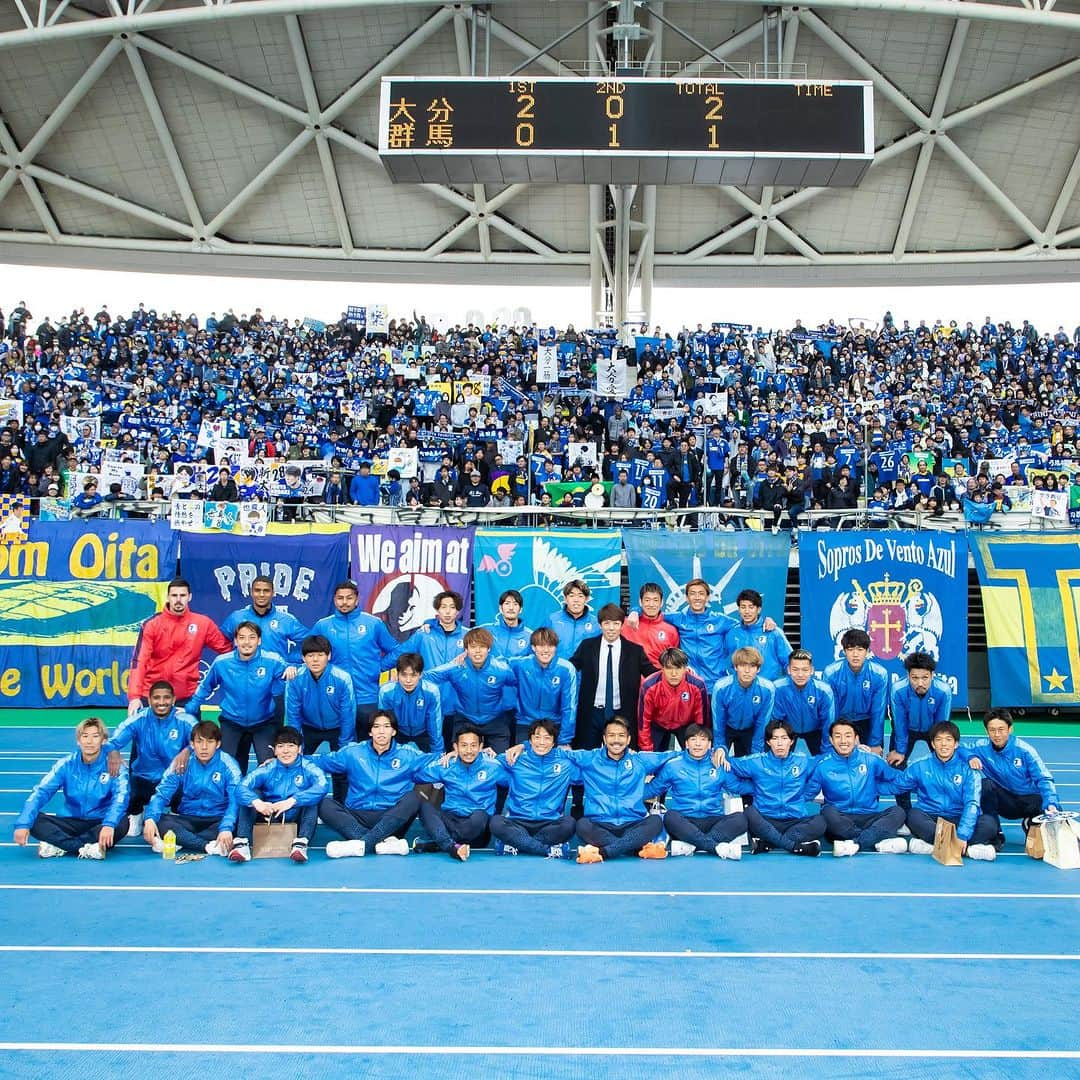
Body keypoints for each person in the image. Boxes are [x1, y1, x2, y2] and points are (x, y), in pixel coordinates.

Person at [313, 710, 427, 858]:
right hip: (357, 815)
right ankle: (382, 844)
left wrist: (453, 756)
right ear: (370, 732)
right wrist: (290, 758)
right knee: (324, 803)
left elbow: (436, 763)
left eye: (386, 726)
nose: (381, 731)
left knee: (414, 798)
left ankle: (362, 845)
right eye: (376, 726)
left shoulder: (408, 754)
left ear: (393, 731)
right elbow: (322, 761)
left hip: (391, 817)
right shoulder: (353, 752)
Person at [13, 717, 130, 860]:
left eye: (95, 736)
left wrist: (109, 824)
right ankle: (88, 848)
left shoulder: (115, 765)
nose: (89, 741)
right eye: (85, 736)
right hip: (70, 821)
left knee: (122, 822)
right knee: (34, 820)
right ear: (78, 740)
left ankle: (59, 845)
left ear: (103, 740)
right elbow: (41, 792)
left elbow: (121, 798)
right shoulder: (66, 764)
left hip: (100, 821)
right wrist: (23, 824)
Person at [187, 621, 294, 774]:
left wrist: (290, 669)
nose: (247, 642)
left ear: (259, 640)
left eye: (251, 637)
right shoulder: (222, 662)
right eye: (242, 638)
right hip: (232, 723)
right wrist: (189, 709)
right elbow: (205, 687)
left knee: (270, 769)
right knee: (229, 770)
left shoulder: (273, 660)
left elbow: (290, 673)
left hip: (264, 723)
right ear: (235, 641)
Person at [573, 716, 678, 863]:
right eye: (611, 735)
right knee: (582, 825)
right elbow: (558, 754)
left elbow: (673, 755)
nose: (616, 740)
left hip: (633, 823)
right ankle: (635, 848)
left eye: (621, 736)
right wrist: (527, 747)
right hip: (600, 823)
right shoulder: (590, 758)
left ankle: (604, 852)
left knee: (655, 821)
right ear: (604, 738)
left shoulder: (639, 760)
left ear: (628, 739)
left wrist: (715, 752)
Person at [890, 720, 1000, 860]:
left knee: (990, 824)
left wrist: (962, 835)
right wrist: (871, 781)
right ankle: (967, 850)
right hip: (932, 817)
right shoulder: (920, 765)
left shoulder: (969, 770)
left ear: (956, 744)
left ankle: (933, 847)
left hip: (959, 817)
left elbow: (972, 804)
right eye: (939, 740)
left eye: (948, 740)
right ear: (932, 744)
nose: (943, 744)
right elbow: (896, 785)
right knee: (913, 816)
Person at [310, 579, 402, 740]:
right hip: (335, 698)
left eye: (349, 597)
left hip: (368, 697)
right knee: (342, 750)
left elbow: (395, 650)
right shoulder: (322, 626)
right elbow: (308, 653)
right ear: (334, 599)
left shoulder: (373, 623)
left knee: (369, 749)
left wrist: (380, 667)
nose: (344, 602)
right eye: (340, 598)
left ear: (357, 599)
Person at [104, 679, 196, 835]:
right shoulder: (138, 719)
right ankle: (136, 814)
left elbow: (202, 742)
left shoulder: (185, 720)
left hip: (173, 780)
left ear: (173, 700)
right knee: (120, 774)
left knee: (191, 778)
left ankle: (175, 814)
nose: (161, 702)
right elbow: (112, 741)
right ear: (149, 700)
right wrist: (113, 751)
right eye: (156, 698)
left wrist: (187, 750)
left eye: (166, 698)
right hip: (143, 778)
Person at [127, 577, 231, 714]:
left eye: (182, 595)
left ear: (189, 597)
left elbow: (228, 651)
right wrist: (134, 697)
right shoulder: (152, 625)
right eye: (174, 595)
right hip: (153, 696)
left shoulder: (203, 624)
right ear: (168, 597)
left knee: (192, 736)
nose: (178, 600)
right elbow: (139, 661)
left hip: (186, 698)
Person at [724, 719, 827, 856]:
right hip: (765, 819)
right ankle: (794, 846)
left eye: (784, 738)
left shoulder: (803, 761)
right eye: (775, 738)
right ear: (768, 742)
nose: (779, 743)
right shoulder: (757, 761)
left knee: (821, 822)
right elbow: (726, 766)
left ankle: (768, 843)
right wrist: (747, 788)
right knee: (749, 813)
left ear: (791, 741)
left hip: (795, 820)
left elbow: (828, 760)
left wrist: (804, 796)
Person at [142, 720, 243, 857]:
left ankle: (184, 840)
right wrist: (149, 818)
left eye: (210, 742)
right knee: (158, 821)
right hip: (187, 818)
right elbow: (162, 793)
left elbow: (234, 800)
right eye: (199, 742)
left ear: (218, 744)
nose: (204, 747)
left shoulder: (229, 765)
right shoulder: (182, 763)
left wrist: (226, 828)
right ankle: (207, 846)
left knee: (238, 822)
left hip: (217, 819)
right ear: (192, 744)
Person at [228, 726, 328, 864]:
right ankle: (242, 844)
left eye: (291, 746)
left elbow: (322, 785)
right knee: (251, 795)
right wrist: (258, 803)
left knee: (312, 800)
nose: (285, 751)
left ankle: (301, 843)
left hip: (296, 817)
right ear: (274, 750)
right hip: (269, 814)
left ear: (299, 749)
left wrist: (293, 800)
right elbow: (241, 787)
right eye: (280, 746)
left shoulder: (308, 767)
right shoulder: (268, 768)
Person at [646, 723, 748, 859]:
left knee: (740, 819)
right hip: (684, 822)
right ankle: (715, 847)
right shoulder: (673, 765)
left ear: (710, 744)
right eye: (693, 739)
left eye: (703, 739)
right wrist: (627, 792)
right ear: (686, 744)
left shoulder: (719, 764)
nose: (698, 744)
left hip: (714, 820)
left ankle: (692, 845)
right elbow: (653, 789)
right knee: (670, 816)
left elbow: (738, 787)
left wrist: (765, 784)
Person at [811, 719, 907, 856]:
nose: (843, 740)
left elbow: (896, 778)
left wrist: (920, 778)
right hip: (840, 819)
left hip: (869, 816)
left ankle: (855, 844)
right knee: (827, 812)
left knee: (898, 812)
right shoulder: (822, 766)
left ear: (856, 739)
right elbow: (808, 791)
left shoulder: (872, 760)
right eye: (838, 736)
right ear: (831, 740)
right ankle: (875, 839)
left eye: (848, 736)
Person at [413, 724, 509, 861]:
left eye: (473, 745)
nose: (469, 750)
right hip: (450, 818)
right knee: (422, 805)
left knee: (480, 816)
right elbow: (417, 775)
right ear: (456, 747)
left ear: (481, 747)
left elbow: (515, 779)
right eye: (464, 745)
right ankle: (451, 846)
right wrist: (440, 757)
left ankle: (440, 842)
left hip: (477, 829)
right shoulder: (447, 765)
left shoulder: (493, 765)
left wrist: (521, 747)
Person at [571, 604, 656, 751]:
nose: (611, 628)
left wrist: (676, 670)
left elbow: (653, 674)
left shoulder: (634, 651)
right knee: (586, 755)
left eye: (616, 624)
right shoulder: (587, 646)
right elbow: (570, 668)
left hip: (623, 712)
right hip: (592, 713)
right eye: (607, 623)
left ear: (622, 625)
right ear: (600, 625)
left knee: (622, 756)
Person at [491, 719, 578, 857]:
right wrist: (453, 755)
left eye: (547, 738)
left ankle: (517, 844)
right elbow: (485, 762)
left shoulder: (566, 764)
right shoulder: (514, 759)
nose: (541, 742)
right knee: (496, 822)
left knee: (570, 824)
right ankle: (547, 849)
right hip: (518, 820)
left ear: (554, 742)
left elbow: (593, 765)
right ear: (530, 740)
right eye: (537, 737)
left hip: (550, 822)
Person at [965, 707, 1060, 832]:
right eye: (992, 730)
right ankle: (995, 833)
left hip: (1030, 801)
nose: (997, 735)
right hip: (1006, 802)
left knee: (1051, 814)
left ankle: (1031, 822)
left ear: (1010, 729)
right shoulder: (981, 746)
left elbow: (1044, 778)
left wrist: (1051, 803)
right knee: (985, 785)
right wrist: (970, 756)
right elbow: (960, 748)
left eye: (1001, 729)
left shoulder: (1025, 750)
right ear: (986, 730)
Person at [428, 627, 517, 754]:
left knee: (501, 762)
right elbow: (427, 676)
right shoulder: (456, 667)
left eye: (482, 647)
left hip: (495, 719)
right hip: (465, 719)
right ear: (466, 650)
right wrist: (401, 676)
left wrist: (510, 706)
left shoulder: (501, 669)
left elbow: (520, 682)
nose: (478, 651)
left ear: (489, 649)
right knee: (460, 762)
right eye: (473, 647)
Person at [821, 628, 889, 754]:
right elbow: (830, 711)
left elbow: (878, 711)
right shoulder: (831, 673)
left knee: (871, 761)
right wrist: (831, 741)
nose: (855, 654)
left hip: (866, 722)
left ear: (867, 651)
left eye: (860, 649)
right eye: (850, 649)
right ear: (844, 651)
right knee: (837, 760)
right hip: (840, 721)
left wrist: (875, 743)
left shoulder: (879, 674)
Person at [220, 575, 310, 667]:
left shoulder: (286, 619)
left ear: (273, 593)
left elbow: (309, 641)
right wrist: (233, 659)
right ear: (251, 592)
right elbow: (221, 642)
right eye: (257, 590)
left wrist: (290, 660)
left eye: (266, 591)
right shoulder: (236, 617)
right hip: (243, 674)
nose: (261, 594)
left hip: (276, 676)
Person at [508, 628, 578, 745]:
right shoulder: (520, 665)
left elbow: (569, 707)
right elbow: (495, 664)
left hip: (553, 725)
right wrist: (466, 656)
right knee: (522, 761)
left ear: (556, 648)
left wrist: (564, 741)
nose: (546, 650)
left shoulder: (566, 669)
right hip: (525, 723)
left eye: (550, 646)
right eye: (541, 645)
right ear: (533, 647)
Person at [637, 647, 711, 752]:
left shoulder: (698, 685)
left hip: (687, 725)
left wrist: (698, 745)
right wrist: (647, 751)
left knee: (695, 755)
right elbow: (643, 722)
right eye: (669, 668)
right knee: (652, 758)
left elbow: (702, 720)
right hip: (658, 724)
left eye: (678, 668)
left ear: (685, 668)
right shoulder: (649, 686)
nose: (674, 673)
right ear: (662, 668)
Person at [887, 652, 953, 767]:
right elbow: (899, 723)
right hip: (907, 729)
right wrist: (900, 751)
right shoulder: (898, 690)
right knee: (895, 766)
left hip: (933, 729)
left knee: (945, 765)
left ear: (932, 675)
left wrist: (941, 750)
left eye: (925, 678)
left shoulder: (943, 691)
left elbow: (941, 725)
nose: (920, 683)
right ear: (908, 675)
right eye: (915, 678)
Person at [711, 646, 776, 756]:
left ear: (758, 669)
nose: (747, 671)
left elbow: (762, 722)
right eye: (742, 666)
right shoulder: (721, 687)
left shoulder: (767, 689)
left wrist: (756, 751)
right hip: (727, 728)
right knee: (719, 762)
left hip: (750, 730)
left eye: (752, 666)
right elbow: (718, 721)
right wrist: (719, 746)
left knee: (750, 766)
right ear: (735, 667)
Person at [770, 649, 836, 755]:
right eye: (795, 670)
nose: (800, 674)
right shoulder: (778, 688)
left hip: (816, 731)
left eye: (805, 670)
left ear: (812, 670)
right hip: (787, 731)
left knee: (824, 762)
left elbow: (828, 723)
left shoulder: (824, 690)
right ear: (788, 670)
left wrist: (826, 753)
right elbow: (776, 721)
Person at [377, 652, 444, 753]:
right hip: (397, 734)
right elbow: (385, 724)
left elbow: (435, 725)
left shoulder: (431, 691)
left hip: (423, 734)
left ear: (420, 674)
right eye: (404, 675)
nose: (408, 680)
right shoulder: (386, 692)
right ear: (397, 674)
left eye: (413, 675)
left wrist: (438, 755)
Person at [724, 588, 792, 681]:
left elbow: (790, 663)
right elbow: (727, 662)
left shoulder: (773, 632)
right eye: (743, 607)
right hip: (739, 691)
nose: (747, 611)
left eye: (751, 607)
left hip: (768, 690)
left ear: (758, 609)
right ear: (738, 609)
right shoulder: (731, 633)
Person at [620, 581, 679, 667]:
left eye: (655, 600)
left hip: (657, 678)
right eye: (647, 600)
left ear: (661, 602)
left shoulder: (671, 631)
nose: (651, 604)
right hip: (629, 678)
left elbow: (673, 662)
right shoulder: (626, 624)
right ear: (640, 602)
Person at [542, 579, 600, 662]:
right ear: (565, 599)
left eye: (580, 596)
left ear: (586, 599)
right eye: (571, 596)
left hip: (585, 673)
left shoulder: (596, 623)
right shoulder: (552, 620)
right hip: (557, 672)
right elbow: (540, 646)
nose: (576, 600)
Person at [484, 588, 533, 661]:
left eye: (515, 604)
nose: (511, 608)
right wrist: (465, 653)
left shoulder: (530, 636)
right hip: (492, 672)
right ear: (500, 608)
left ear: (520, 609)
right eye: (507, 603)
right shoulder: (486, 631)